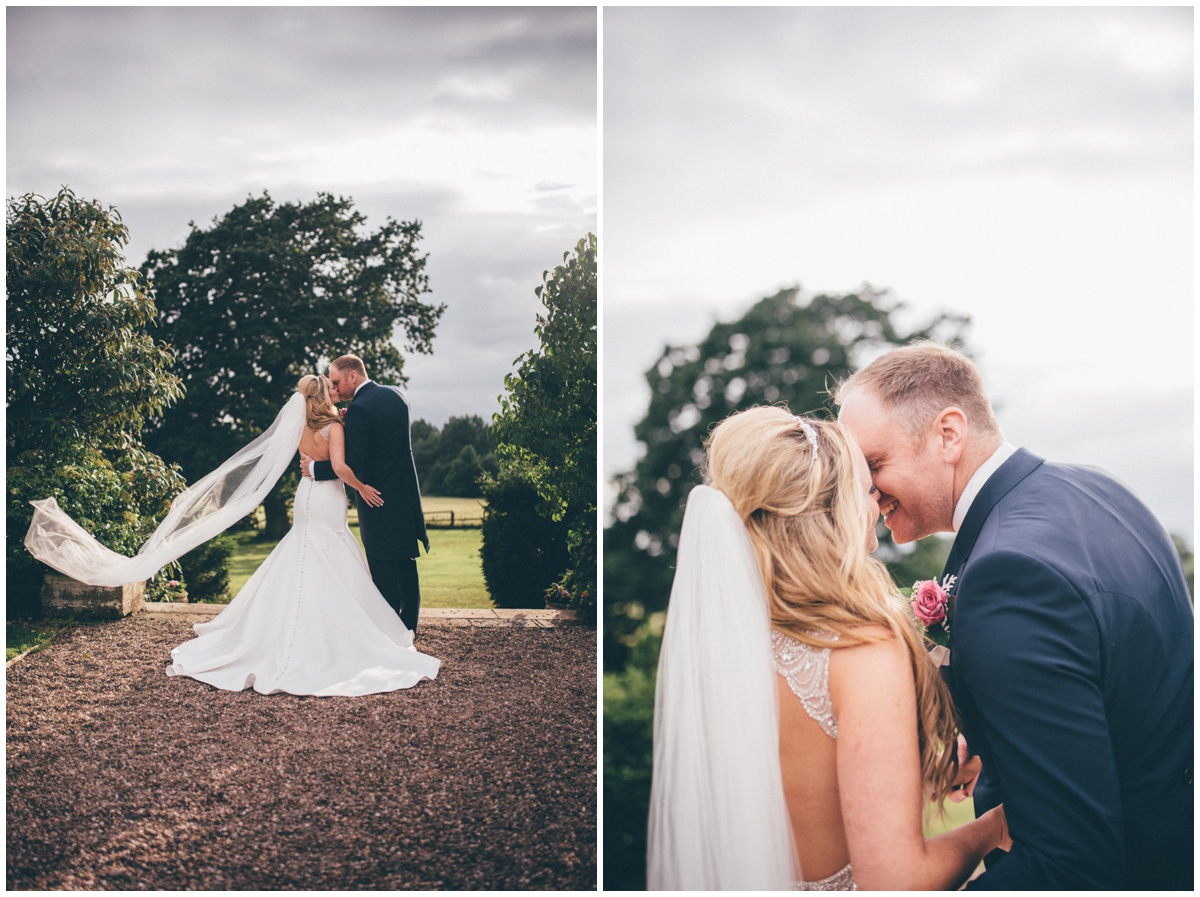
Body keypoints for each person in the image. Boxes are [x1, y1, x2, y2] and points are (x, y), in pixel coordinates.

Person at [835, 342, 1193, 889]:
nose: (862, 491)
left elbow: (1068, 864)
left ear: (948, 434)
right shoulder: (1099, 490)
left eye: (874, 465)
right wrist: (998, 736)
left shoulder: (1008, 575)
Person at [647, 407, 1009, 890]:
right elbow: (896, 881)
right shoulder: (862, 650)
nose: (877, 504)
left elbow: (802, 792)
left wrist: (928, 771)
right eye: (866, 489)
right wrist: (994, 827)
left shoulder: (736, 643)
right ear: (830, 508)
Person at [26, 375, 440, 696]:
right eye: (329, 387)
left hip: (306, 496)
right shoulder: (336, 425)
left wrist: (312, 469)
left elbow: (305, 464)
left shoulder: (298, 429)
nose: (335, 391)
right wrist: (361, 487)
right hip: (329, 497)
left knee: (303, 551)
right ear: (323, 396)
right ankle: (344, 632)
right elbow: (344, 468)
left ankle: (275, 631)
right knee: (331, 551)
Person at [300, 355, 428, 634]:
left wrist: (314, 468)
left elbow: (351, 465)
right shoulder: (397, 395)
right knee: (406, 562)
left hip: (375, 497)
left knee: (382, 565)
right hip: (404, 495)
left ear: (352, 377)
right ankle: (410, 628)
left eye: (336, 381)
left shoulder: (359, 409)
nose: (335, 388)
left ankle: (390, 631)